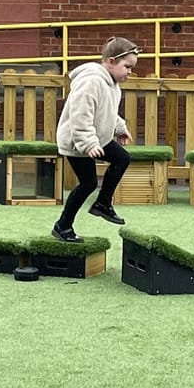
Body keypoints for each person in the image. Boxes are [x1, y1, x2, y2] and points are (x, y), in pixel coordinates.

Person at [51, 37, 137, 243]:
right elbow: (80, 114)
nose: (130, 72)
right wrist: (88, 143)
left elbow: (106, 112)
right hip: (76, 141)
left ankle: (103, 204)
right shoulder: (91, 81)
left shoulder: (112, 84)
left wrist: (120, 128)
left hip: (97, 138)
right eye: (127, 66)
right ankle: (62, 226)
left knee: (122, 158)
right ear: (111, 62)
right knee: (88, 183)